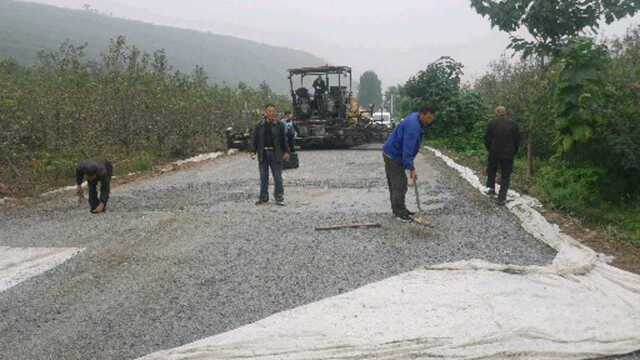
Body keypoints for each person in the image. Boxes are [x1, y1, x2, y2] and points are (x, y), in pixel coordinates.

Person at [382, 107, 436, 221]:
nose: (430, 121)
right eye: (428, 118)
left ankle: (399, 209)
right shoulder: (413, 127)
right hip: (393, 155)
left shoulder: (416, 118)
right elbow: (408, 149)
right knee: (399, 184)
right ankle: (399, 213)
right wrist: (411, 168)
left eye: (432, 118)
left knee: (396, 184)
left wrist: (410, 166)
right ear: (422, 114)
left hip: (392, 152)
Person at [251, 104, 290, 206]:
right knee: (263, 177)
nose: (271, 113)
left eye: (273, 111)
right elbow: (255, 139)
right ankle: (263, 197)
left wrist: (286, 152)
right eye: (269, 111)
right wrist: (253, 151)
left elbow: (284, 140)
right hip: (263, 154)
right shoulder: (259, 125)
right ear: (265, 112)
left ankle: (279, 197)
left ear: (275, 112)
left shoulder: (280, 125)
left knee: (277, 177)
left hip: (276, 154)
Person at [485, 106, 521, 205]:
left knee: (492, 170)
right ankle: (501, 198)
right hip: (508, 154)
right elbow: (517, 140)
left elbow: (487, 139)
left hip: (494, 152)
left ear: (496, 113)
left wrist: (490, 149)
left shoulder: (492, 123)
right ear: (505, 113)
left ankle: (491, 189)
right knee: (505, 175)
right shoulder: (513, 124)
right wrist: (514, 151)